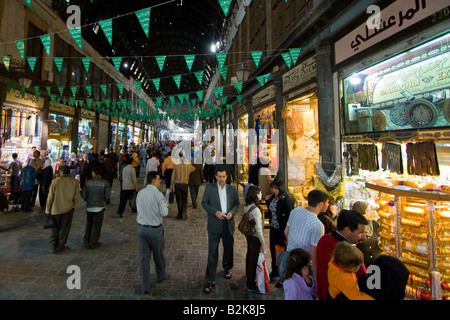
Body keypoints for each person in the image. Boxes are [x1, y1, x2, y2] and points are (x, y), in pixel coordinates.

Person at [201, 169, 240, 294]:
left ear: (227, 176)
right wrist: (215, 212)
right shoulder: (210, 188)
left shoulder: (232, 189)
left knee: (229, 248)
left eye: (223, 176)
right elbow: (204, 203)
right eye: (219, 176)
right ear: (216, 176)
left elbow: (236, 204)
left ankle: (227, 267)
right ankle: (210, 278)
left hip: (228, 223)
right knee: (212, 251)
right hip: (214, 224)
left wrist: (231, 214)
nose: (221, 179)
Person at [316, 209, 369, 300]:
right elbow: (364, 280)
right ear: (347, 230)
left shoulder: (323, 239)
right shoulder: (348, 252)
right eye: (360, 233)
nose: (364, 237)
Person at [284, 190, 328, 281]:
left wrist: (292, 245)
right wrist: (316, 274)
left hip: (290, 256)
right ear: (320, 204)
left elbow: (286, 231)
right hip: (303, 264)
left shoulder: (295, 211)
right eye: (327, 203)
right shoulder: (318, 225)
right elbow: (314, 251)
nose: (328, 205)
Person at [136, 171, 169, 294]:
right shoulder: (158, 194)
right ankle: (160, 276)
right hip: (155, 230)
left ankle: (145, 286)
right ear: (153, 180)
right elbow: (164, 213)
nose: (160, 181)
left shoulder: (140, 193)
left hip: (142, 229)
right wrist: (165, 204)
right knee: (158, 255)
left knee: (144, 258)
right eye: (159, 179)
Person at [45, 165, 80, 253]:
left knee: (54, 228)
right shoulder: (74, 182)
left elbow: (50, 197)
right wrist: (73, 206)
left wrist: (48, 209)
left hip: (55, 209)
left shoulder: (55, 181)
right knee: (64, 228)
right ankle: (61, 245)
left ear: (61, 172)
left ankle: (53, 246)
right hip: (68, 209)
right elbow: (76, 197)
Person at [264, 179, 293, 283]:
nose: (274, 190)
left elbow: (289, 218)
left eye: (276, 188)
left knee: (281, 252)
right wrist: (267, 201)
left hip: (281, 230)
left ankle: (282, 274)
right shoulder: (273, 198)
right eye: (273, 188)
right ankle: (275, 271)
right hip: (273, 229)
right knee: (273, 249)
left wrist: (286, 236)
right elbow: (272, 211)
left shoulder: (286, 201)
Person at [81, 165, 110, 249]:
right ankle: (94, 241)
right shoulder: (105, 183)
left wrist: (87, 199)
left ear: (94, 173)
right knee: (97, 225)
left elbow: (83, 194)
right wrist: (103, 200)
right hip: (100, 207)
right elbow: (107, 196)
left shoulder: (88, 183)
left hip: (89, 206)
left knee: (89, 223)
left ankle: (87, 240)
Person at [242, 185, 265, 294]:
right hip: (255, 237)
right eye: (260, 193)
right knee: (253, 259)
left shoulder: (247, 206)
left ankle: (248, 275)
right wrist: (263, 243)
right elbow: (259, 229)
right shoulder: (256, 210)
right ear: (256, 194)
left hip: (249, 235)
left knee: (249, 255)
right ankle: (250, 283)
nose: (261, 195)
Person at [352, 201, 381, 267]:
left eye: (371, 211)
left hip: (376, 267)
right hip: (361, 267)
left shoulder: (374, 224)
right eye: (368, 211)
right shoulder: (354, 227)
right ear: (361, 213)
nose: (371, 213)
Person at [171, 153, 195, 220]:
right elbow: (194, 168)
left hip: (178, 184)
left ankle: (180, 213)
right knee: (185, 199)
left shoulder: (176, 167)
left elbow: (173, 177)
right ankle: (184, 212)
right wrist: (188, 163)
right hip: (185, 184)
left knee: (179, 199)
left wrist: (171, 185)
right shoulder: (188, 167)